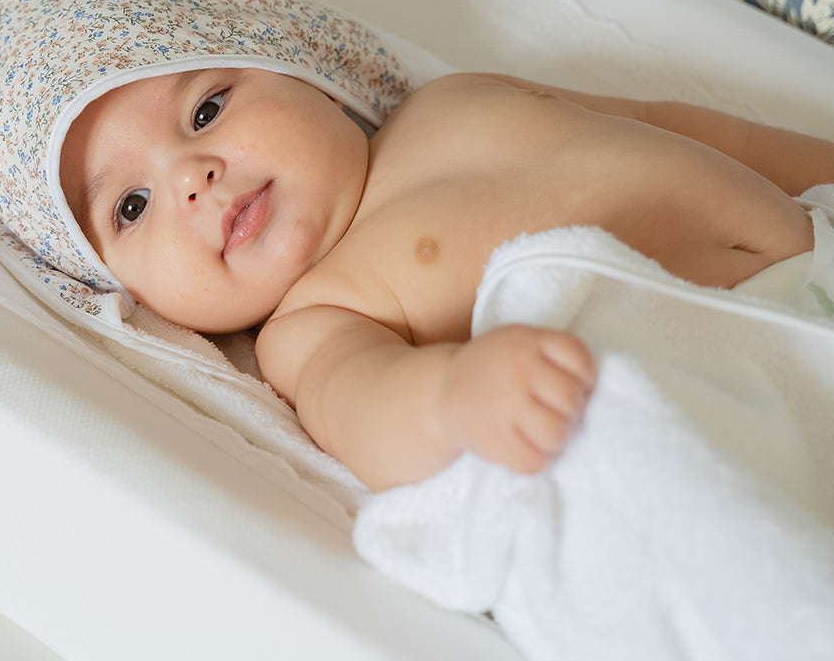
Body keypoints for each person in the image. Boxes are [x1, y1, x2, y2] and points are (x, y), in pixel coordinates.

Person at [59, 64, 834, 492]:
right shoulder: (313, 321)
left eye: (206, 111)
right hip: (738, 397)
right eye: (132, 206)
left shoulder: (457, 95)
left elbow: (678, 122)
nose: (191, 177)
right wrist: (454, 396)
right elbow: (366, 406)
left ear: (309, 77)